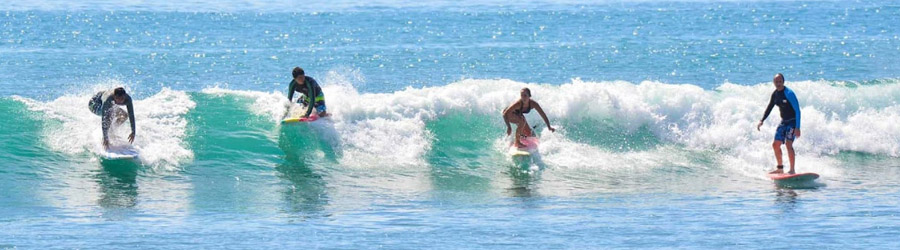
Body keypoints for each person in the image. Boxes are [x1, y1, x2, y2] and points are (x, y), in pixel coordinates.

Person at [756, 73, 801, 174]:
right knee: (775, 144)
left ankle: (792, 170)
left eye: (780, 81)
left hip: (792, 122)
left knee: (788, 144)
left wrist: (797, 127)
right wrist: (762, 120)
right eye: (776, 82)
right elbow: (769, 107)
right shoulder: (775, 94)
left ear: (783, 82)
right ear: (774, 82)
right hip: (783, 122)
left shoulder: (789, 93)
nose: (778, 83)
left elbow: (797, 111)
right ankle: (780, 168)